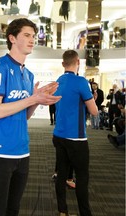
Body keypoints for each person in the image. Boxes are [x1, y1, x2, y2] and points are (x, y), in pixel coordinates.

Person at [0, 18, 61, 216]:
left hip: (22, 152)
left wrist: (37, 100)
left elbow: (24, 116)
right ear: (12, 38)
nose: (32, 40)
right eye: (26, 35)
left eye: (33, 36)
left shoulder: (29, 75)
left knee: (13, 209)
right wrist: (32, 98)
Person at [53, 50, 98, 216]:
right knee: (82, 177)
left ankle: (62, 211)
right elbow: (94, 112)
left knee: (62, 174)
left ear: (63, 63)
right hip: (76, 138)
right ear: (78, 61)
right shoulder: (81, 82)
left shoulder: (58, 81)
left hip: (59, 135)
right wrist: (91, 100)